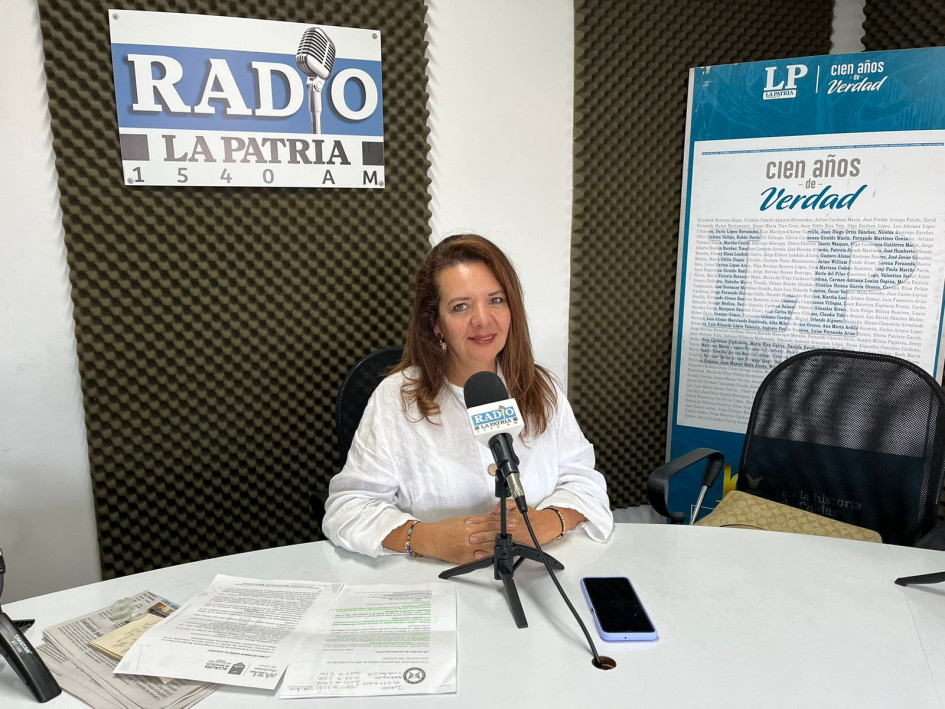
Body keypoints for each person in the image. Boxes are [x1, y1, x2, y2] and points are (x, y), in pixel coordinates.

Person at [322, 234, 613, 564]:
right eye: (461, 306)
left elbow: (585, 482)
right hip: (432, 577)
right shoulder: (396, 399)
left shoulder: (541, 388)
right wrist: (425, 537)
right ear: (435, 324)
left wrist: (550, 522)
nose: (483, 320)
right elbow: (348, 508)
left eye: (496, 300)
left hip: (533, 572)